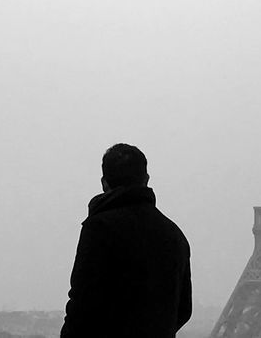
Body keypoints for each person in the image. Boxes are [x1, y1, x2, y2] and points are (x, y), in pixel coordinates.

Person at [59, 143, 192, 338]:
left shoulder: (100, 227)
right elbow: (184, 309)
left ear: (104, 183)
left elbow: (83, 302)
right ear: (146, 179)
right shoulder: (174, 235)